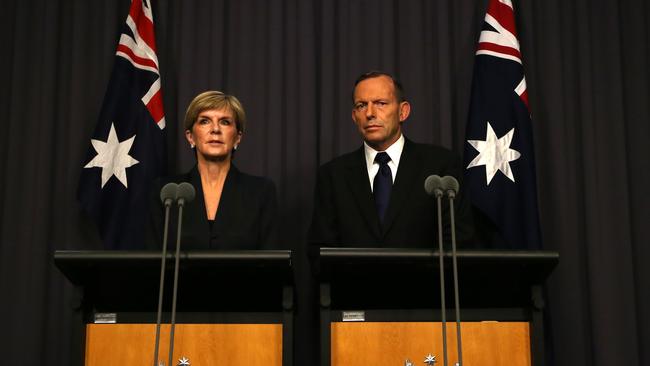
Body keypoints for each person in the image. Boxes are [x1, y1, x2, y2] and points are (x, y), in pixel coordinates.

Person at [309, 71, 474, 248]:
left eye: (380, 103)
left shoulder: (440, 166)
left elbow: (458, 243)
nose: (370, 113)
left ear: (403, 112)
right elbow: (320, 251)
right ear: (354, 116)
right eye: (362, 105)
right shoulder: (333, 176)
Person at [148, 91, 278, 249]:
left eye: (225, 122)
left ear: (238, 137)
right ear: (190, 137)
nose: (215, 129)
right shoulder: (166, 192)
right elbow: (151, 262)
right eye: (204, 121)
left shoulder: (261, 192)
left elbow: (273, 264)